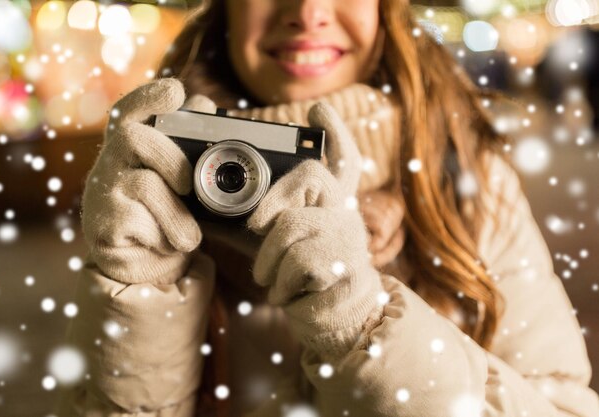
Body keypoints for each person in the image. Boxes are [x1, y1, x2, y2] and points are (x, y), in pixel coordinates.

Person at [56, 0, 599, 416]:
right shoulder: (153, 178)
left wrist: (366, 329)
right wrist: (136, 293)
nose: (307, 13)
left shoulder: (468, 180)